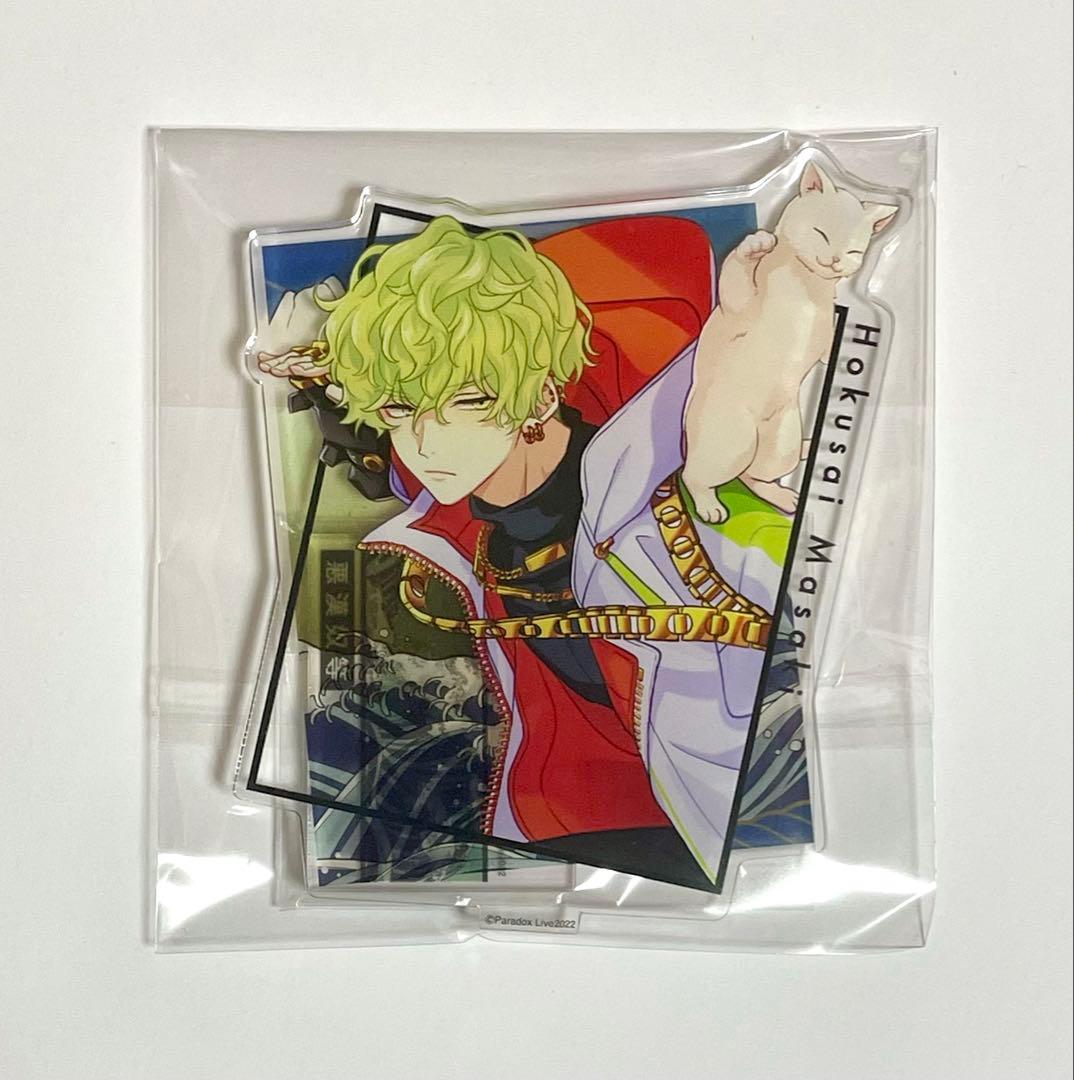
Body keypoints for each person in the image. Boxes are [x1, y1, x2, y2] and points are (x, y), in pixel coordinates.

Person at [259, 213, 786, 887]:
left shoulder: (657, 493)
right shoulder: (460, 495)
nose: (425, 442)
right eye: (398, 410)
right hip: (565, 828)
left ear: (539, 397)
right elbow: (388, 452)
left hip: (726, 822)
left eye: (464, 402)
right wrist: (317, 368)